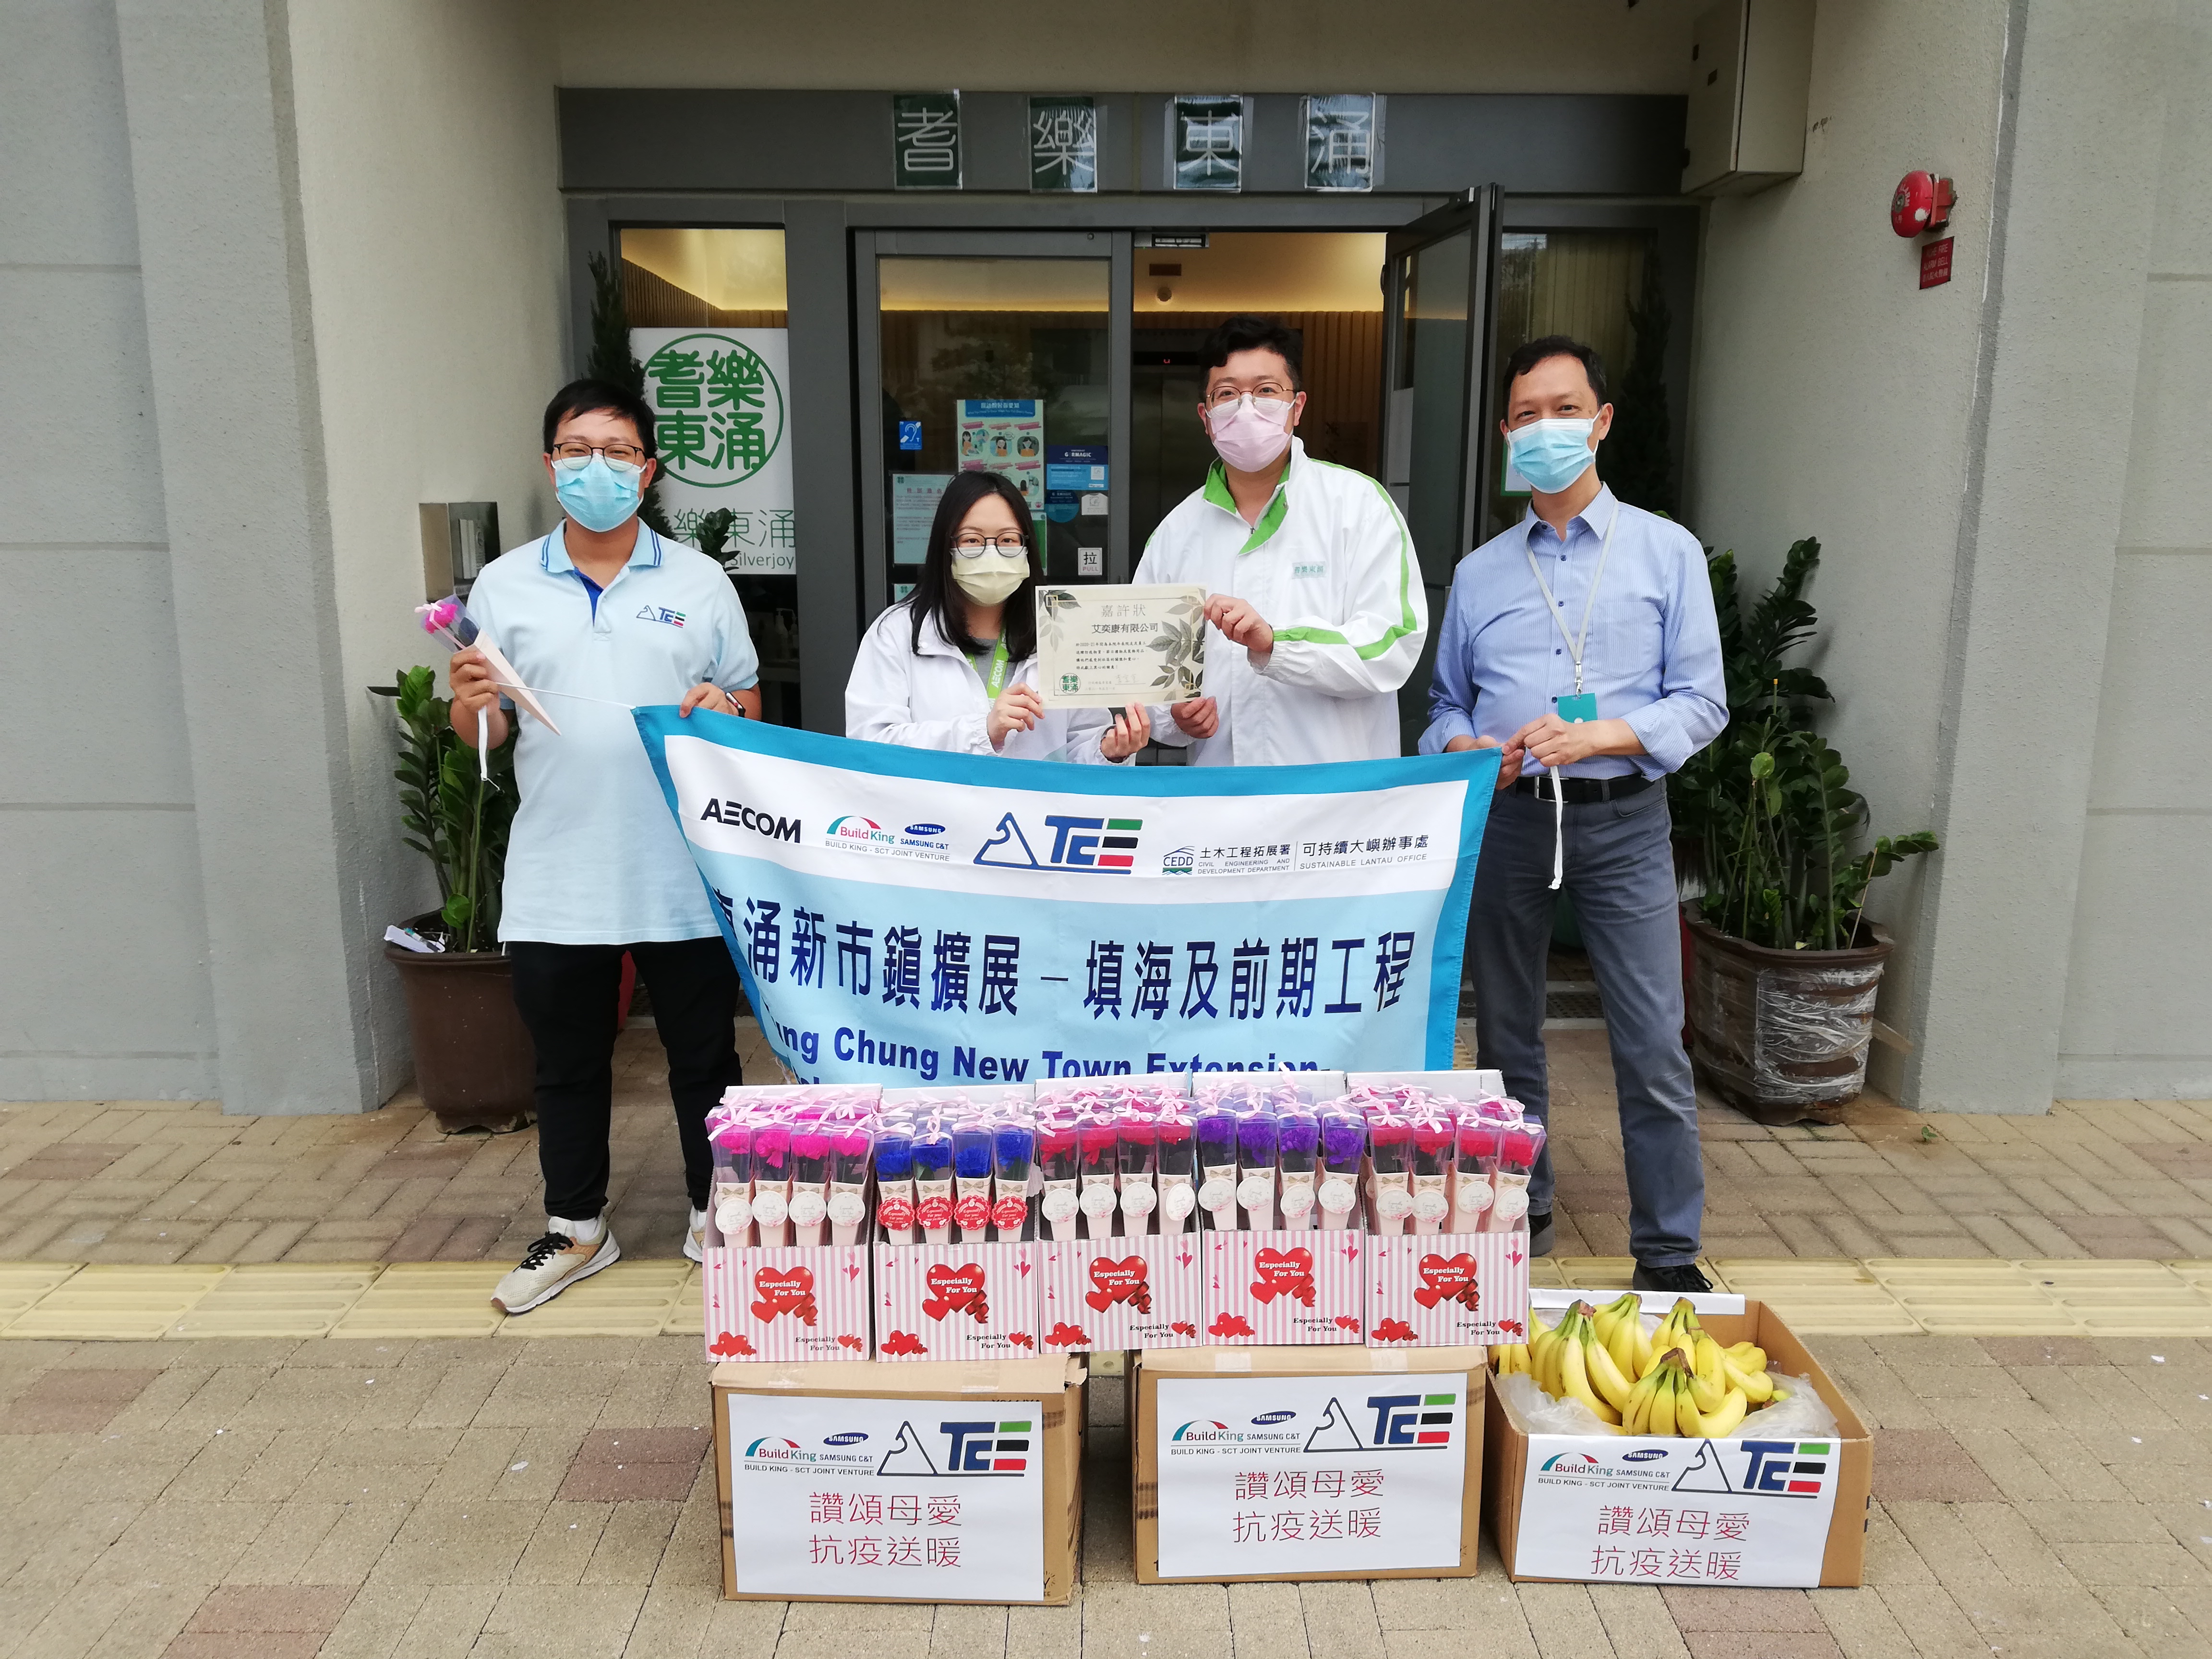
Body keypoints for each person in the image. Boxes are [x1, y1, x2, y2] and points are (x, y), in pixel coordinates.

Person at [1419, 336, 1726, 1295]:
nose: (1544, 428)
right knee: (1507, 1035)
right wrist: (1468, 748)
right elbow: (1443, 707)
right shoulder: (1481, 572)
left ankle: (1667, 1251)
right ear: (1505, 433)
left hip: (1624, 821)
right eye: (1526, 415)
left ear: (1600, 422)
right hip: (1512, 820)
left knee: (1651, 1042)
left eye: (1564, 410)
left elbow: (1703, 702)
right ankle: (1528, 1207)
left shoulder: (1666, 552)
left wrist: (1604, 736)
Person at [452, 378, 763, 1315]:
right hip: (559, 870)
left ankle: (716, 1214)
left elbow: (746, 703)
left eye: (619, 451)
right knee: (568, 1063)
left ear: (649, 469)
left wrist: (724, 707)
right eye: (578, 449)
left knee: (704, 1058)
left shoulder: (698, 583)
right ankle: (578, 1226)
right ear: (550, 464)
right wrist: (471, 704)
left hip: (681, 868)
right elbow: (486, 734)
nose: (599, 467)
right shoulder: (503, 586)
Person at [1133, 314, 1426, 765]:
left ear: (1297, 406)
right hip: (1222, 796)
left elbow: (1393, 644)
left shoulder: (1359, 505)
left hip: (1333, 797)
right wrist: (1175, 719)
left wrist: (1276, 644)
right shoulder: (1175, 533)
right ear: (1206, 418)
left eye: (1267, 390)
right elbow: (1146, 669)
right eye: (1227, 394)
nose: (1246, 407)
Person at [848, 470, 1149, 762]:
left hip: (1034, 800)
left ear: (1027, 547)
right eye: (972, 540)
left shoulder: (1059, 631)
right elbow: (870, 746)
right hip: (939, 801)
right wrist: (982, 732)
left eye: (1007, 540)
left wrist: (1109, 752)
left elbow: (1081, 743)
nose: (991, 554)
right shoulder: (898, 632)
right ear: (945, 547)